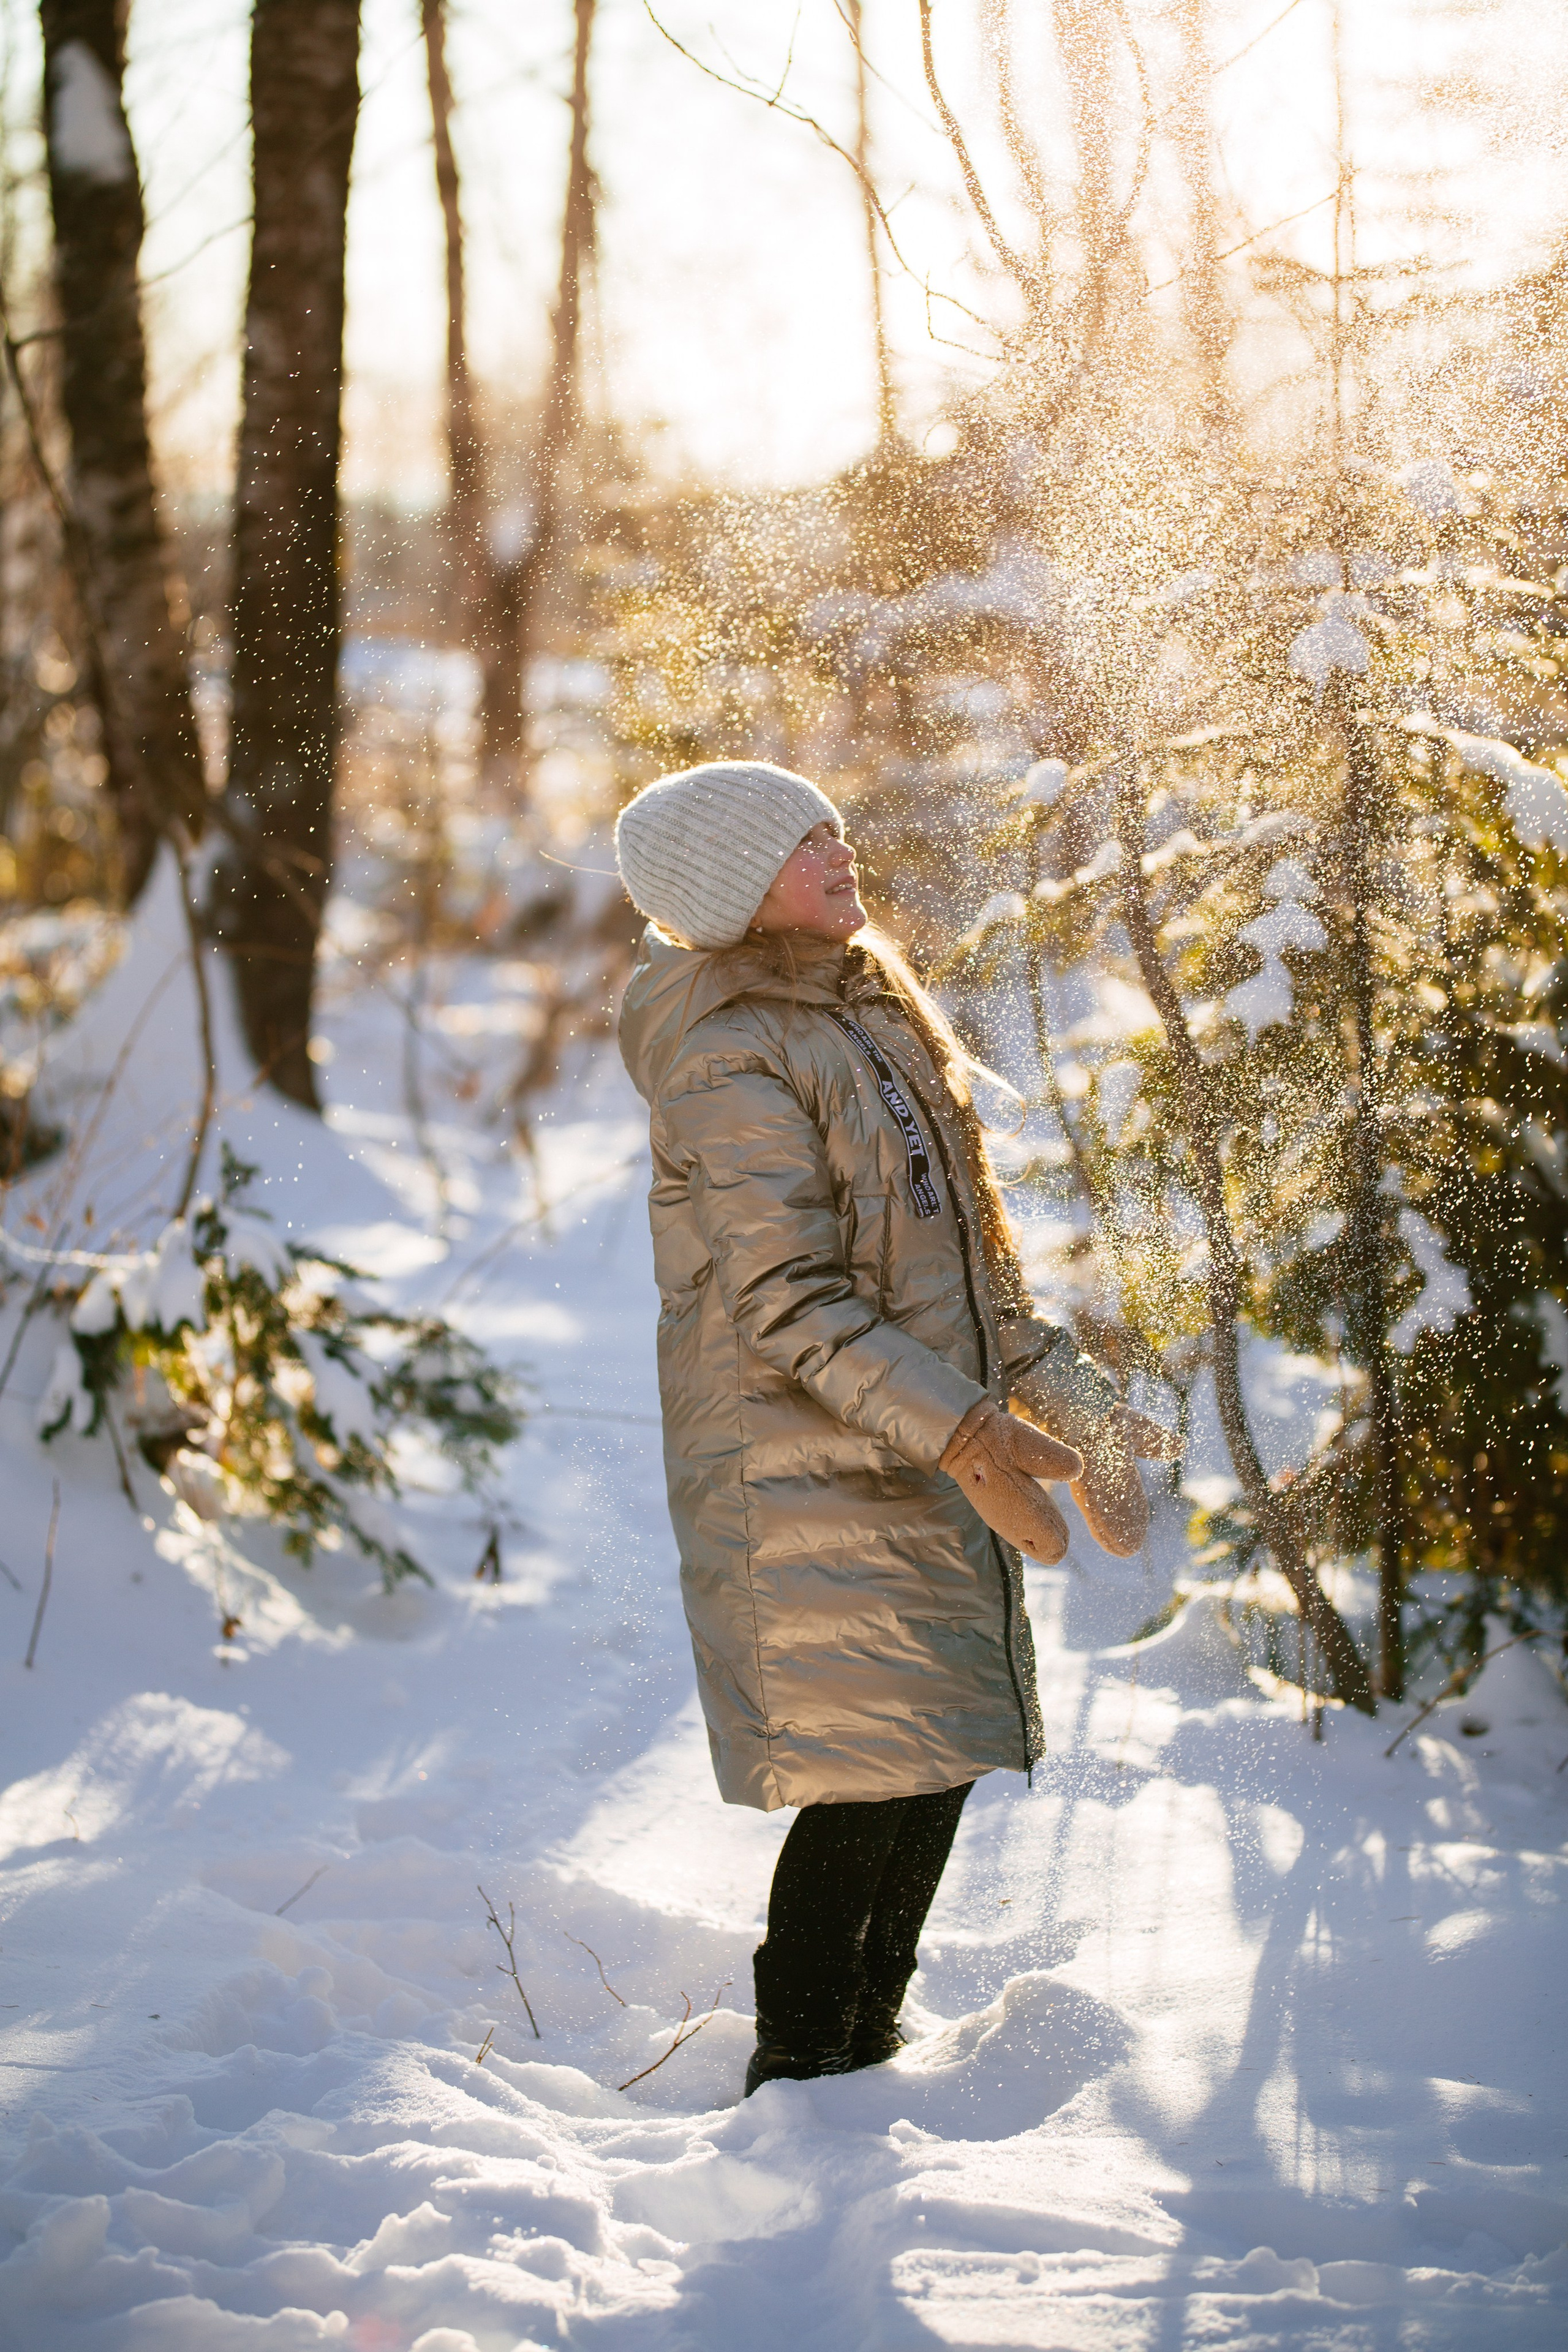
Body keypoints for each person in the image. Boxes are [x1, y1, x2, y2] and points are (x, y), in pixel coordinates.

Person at [614, 760, 1175, 2096]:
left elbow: (963, 1278)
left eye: (832, 823)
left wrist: (1061, 1394)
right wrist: (969, 1431)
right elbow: (783, 1302)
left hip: (910, 1445)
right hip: (800, 1467)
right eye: (802, 836)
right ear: (734, 890)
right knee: (869, 1777)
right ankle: (802, 2066)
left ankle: (866, 2044)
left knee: (930, 1759)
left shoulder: (865, 1013)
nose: (838, 842)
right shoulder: (730, 1048)